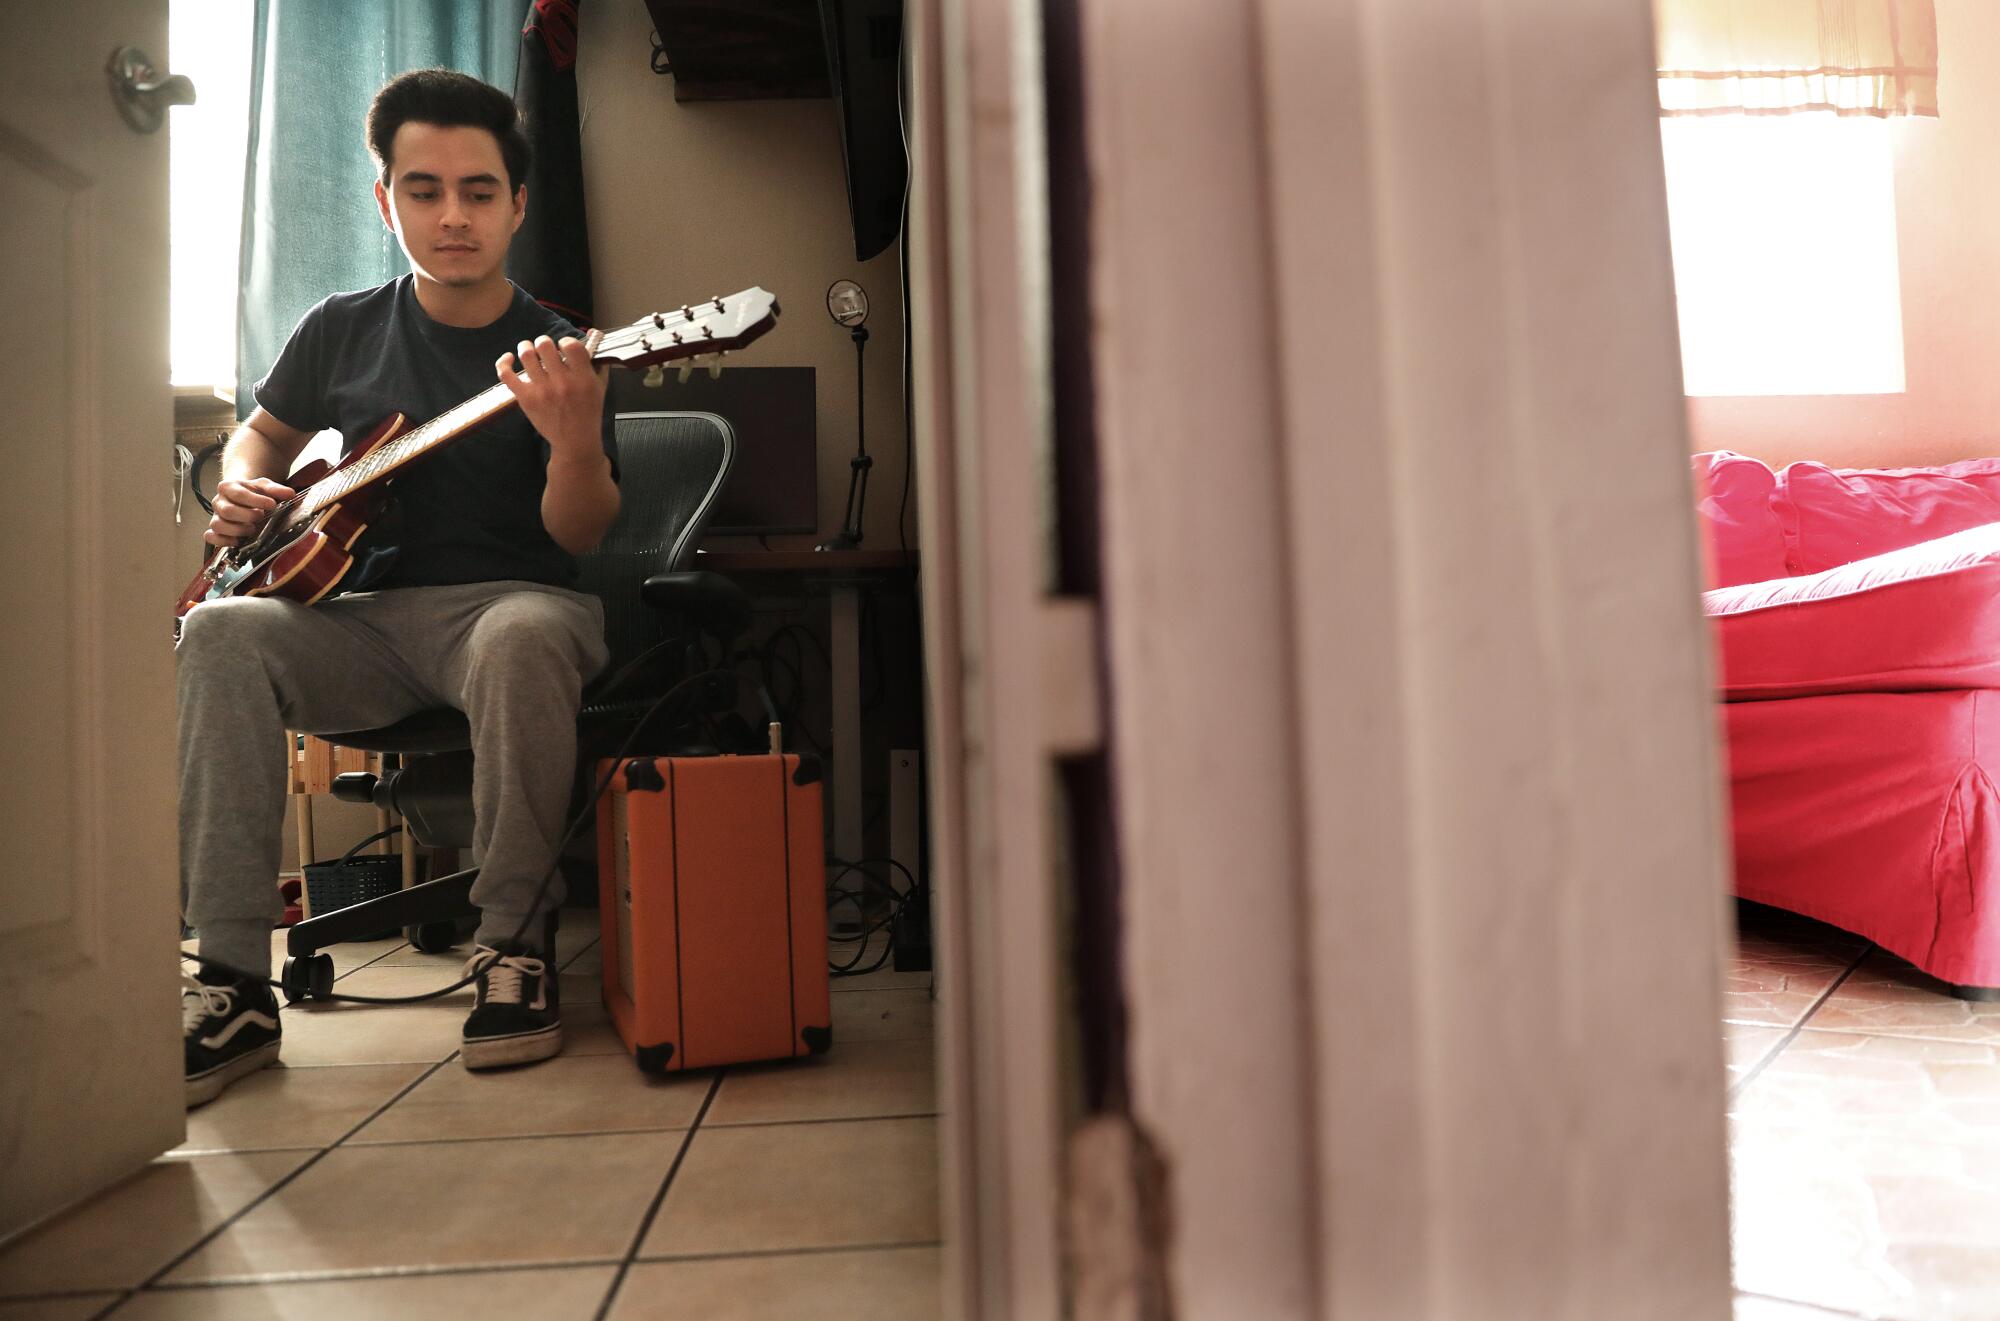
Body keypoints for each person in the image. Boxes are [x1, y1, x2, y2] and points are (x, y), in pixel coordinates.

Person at [177, 68, 619, 1107]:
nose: (451, 215)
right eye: (423, 190)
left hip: (515, 606)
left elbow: (582, 534)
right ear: (386, 202)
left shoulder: (568, 351)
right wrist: (246, 489)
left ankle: (514, 946)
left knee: (517, 631)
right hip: (363, 622)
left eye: (477, 191)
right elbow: (261, 433)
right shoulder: (339, 325)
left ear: (516, 203)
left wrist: (571, 442)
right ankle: (236, 980)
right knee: (220, 632)